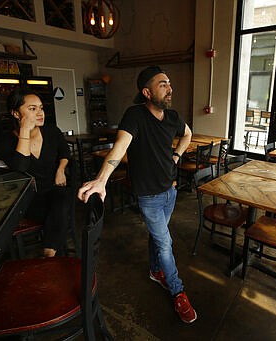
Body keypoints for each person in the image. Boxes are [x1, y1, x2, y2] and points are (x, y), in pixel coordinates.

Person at [78, 66, 197, 323]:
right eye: (163, 84)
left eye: (169, 83)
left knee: (158, 237)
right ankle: (177, 291)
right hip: (149, 197)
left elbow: (187, 134)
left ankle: (155, 271)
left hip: (170, 191)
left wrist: (176, 155)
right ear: (147, 92)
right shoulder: (135, 115)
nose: (169, 88)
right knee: (165, 242)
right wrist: (101, 180)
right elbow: (119, 148)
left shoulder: (173, 116)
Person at [0, 88, 73, 258]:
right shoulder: (4, 142)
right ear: (16, 113)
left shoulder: (52, 131)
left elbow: (65, 153)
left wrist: (60, 170)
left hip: (54, 188)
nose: (40, 113)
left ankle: (49, 252)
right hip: (29, 198)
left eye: (41, 108)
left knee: (61, 198)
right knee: (59, 210)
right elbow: (21, 166)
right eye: (32, 109)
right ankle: (54, 249)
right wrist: (24, 131)